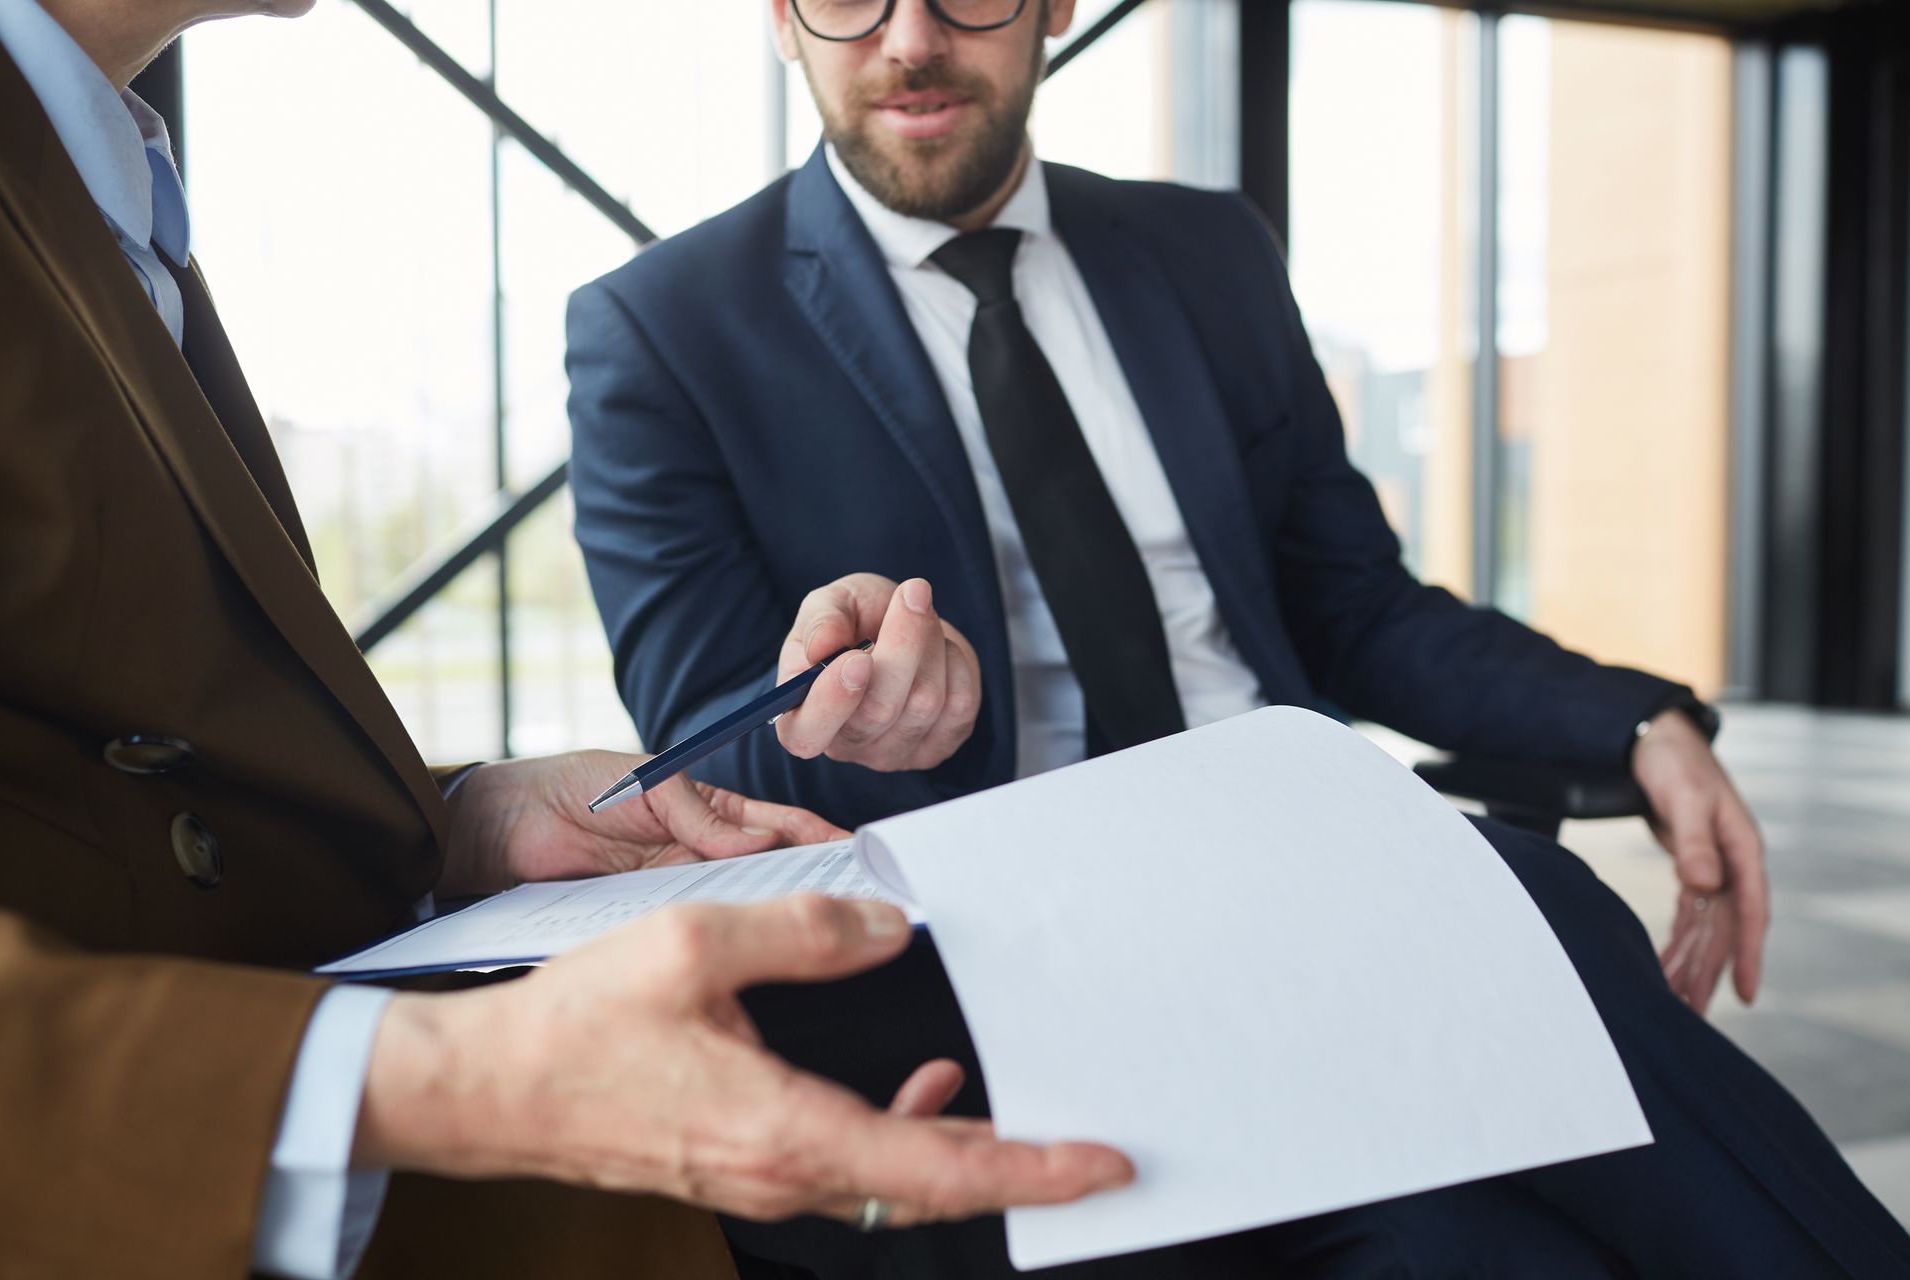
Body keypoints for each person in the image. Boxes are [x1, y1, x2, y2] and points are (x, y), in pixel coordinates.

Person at [565, 0, 1910, 1276]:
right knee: (1514, 1044)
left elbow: (1355, 605)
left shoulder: (1205, 253)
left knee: (1467, 1181)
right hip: (998, 938)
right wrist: (856, 709)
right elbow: (711, 744)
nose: (910, 40)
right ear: (779, 17)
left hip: (1295, 850)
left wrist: (1636, 722)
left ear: (1059, 6)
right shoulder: (664, 328)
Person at [0, 2, 1137, 1277]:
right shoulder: (666, 320)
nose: (906, 32)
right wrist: (456, 1079)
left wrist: (454, 825)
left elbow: (109, 753)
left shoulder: (101, 176)